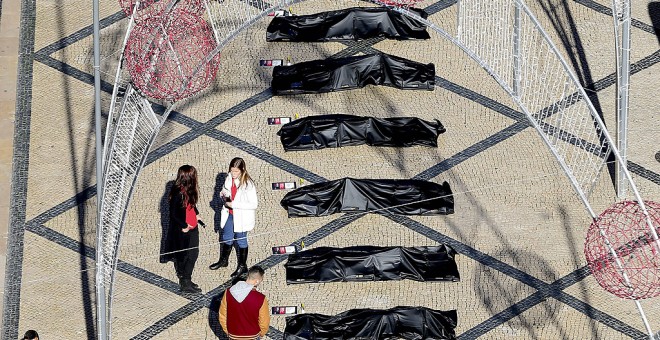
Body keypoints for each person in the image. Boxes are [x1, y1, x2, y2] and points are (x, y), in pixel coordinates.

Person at [209, 157, 258, 278]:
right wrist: (224, 196)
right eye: (232, 171)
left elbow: (253, 204)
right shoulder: (228, 179)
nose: (233, 174)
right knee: (227, 237)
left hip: (241, 217)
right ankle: (224, 260)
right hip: (229, 214)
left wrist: (234, 204)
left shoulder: (248, 185)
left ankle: (242, 266)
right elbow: (224, 191)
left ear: (242, 170)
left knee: (241, 240)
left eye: (236, 171)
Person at [167, 165, 202, 293]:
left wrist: (196, 214)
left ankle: (187, 278)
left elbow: (191, 204)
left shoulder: (188, 190)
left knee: (193, 254)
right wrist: (184, 226)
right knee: (185, 255)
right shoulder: (178, 193)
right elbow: (174, 214)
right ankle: (185, 281)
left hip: (193, 226)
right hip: (184, 230)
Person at [219, 266, 270, 339]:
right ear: (257, 281)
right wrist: (261, 334)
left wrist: (228, 331)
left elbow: (222, 315)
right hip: (253, 335)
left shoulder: (228, 292)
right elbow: (264, 321)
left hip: (233, 334)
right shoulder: (261, 298)